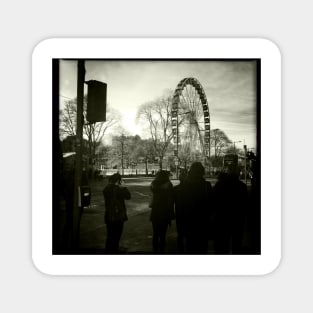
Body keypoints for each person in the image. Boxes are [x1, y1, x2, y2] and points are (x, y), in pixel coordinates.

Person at [213, 160, 248, 254]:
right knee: (236, 243)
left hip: (222, 217)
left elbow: (214, 201)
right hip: (237, 218)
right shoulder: (242, 186)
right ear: (237, 173)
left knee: (222, 244)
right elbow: (245, 204)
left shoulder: (220, 184)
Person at [180, 162, 213, 254]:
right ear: (202, 172)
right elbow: (211, 204)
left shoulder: (184, 186)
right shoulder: (207, 185)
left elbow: (181, 205)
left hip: (189, 220)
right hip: (203, 221)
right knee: (202, 247)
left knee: (190, 246)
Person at [103, 173, 131, 253]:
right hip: (118, 217)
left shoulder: (106, 189)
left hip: (109, 216)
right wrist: (124, 186)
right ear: (118, 181)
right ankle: (114, 251)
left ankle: (108, 251)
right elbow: (128, 196)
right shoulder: (119, 189)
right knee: (116, 237)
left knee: (109, 236)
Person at [150, 170, 175, 254]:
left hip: (155, 212)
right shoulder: (169, 185)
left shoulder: (153, 184)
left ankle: (155, 251)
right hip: (165, 212)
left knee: (156, 233)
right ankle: (161, 251)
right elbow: (171, 200)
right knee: (163, 234)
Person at [173, 170, 188, 253]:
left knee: (180, 233)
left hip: (179, 213)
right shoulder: (191, 188)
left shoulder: (176, 189)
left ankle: (180, 250)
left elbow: (172, 201)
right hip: (189, 212)